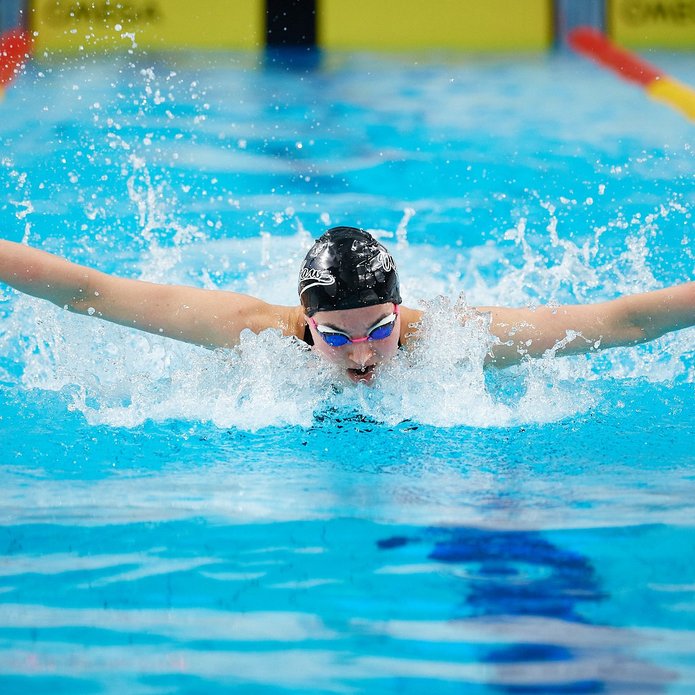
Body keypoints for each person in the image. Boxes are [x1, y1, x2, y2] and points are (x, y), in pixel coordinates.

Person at [1, 226, 693, 384]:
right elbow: (89, 291)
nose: (361, 354)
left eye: (378, 330)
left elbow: (622, 322)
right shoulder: (253, 334)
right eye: (334, 337)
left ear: (400, 310)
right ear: (305, 321)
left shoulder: (447, 338)